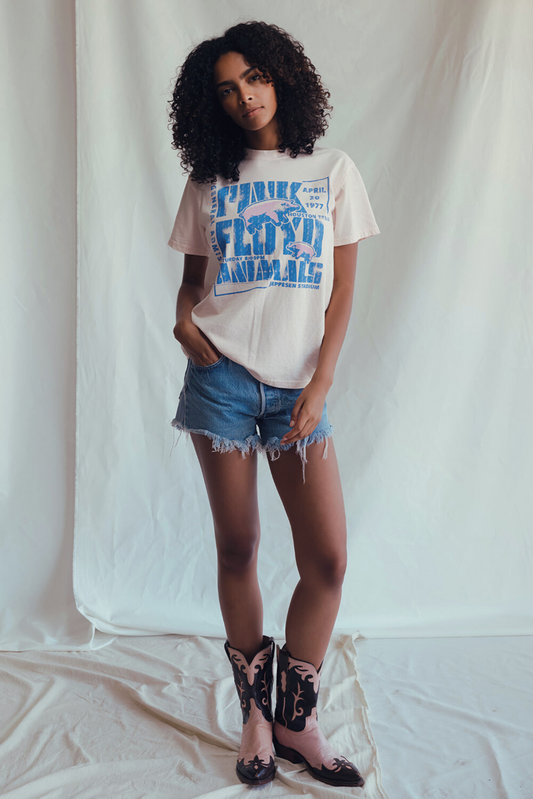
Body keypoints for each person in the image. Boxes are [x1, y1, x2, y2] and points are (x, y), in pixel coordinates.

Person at [167, 20, 380, 788]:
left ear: (282, 77)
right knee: (238, 547)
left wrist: (319, 384)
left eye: (254, 78)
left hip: (298, 389)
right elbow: (194, 284)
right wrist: (183, 319)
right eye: (226, 89)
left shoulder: (331, 171)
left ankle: (298, 717)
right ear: (212, 104)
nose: (245, 97)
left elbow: (342, 292)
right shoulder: (209, 180)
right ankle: (255, 715)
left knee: (326, 559)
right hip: (220, 381)